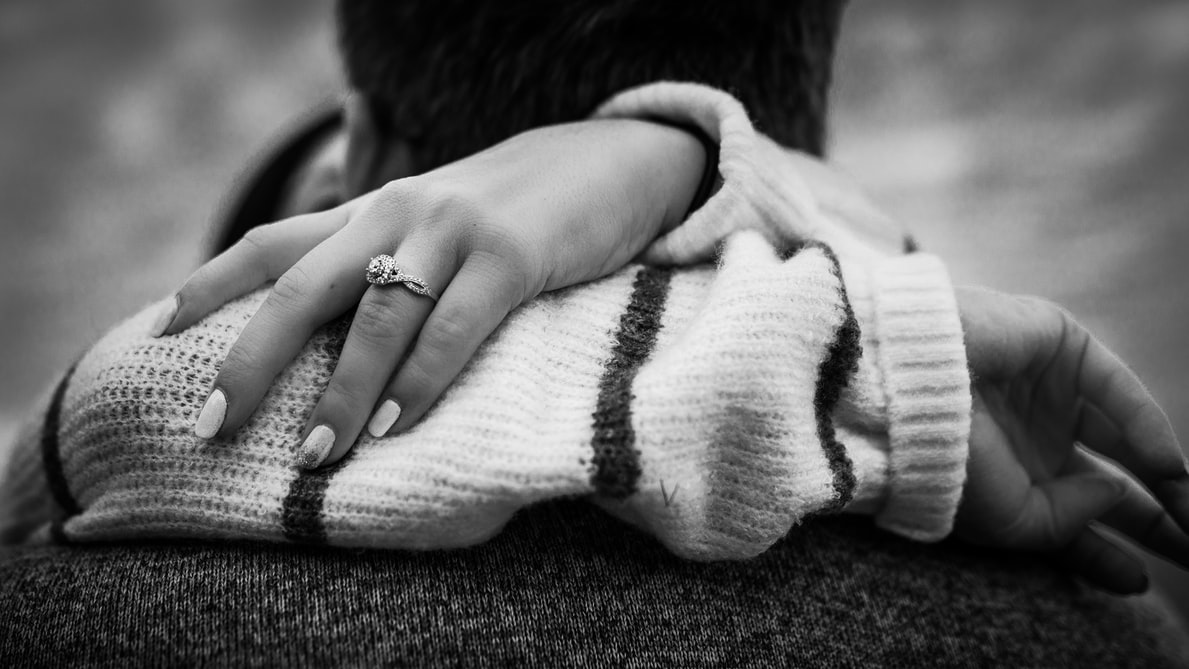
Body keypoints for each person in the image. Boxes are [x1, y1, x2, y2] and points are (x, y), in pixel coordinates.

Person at [1, 1, 1187, 665]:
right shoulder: (1117, 627)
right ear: (806, 132)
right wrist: (690, 150)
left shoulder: (61, 607)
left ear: (361, 155)